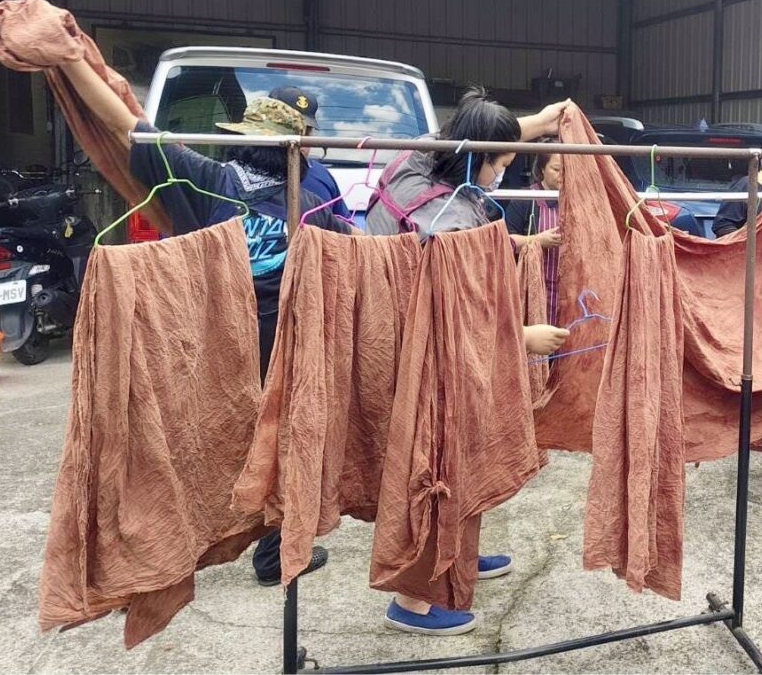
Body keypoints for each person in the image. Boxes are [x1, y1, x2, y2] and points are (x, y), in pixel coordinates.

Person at [57, 59, 355, 586]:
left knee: (237, 442)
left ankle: (248, 549)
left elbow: (127, 125)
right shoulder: (303, 203)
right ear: (298, 150)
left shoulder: (214, 179)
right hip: (266, 350)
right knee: (275, 444)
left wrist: (72, 63)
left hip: (226, 348)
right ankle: (254, 549)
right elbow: (366, 253)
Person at [369, 87, 571, 635]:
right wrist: (524, 337)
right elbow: (461, 319)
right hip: (430, 357)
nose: (501, 175)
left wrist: (539, 122)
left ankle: (455, 554)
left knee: (466, 458)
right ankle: (412, 602)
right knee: (436, 462)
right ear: (476, 157)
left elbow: (461, 140)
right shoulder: (452, 222)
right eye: (499, 164)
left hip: (401, 339)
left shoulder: (410, 167)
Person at [266, 86, 350, 218]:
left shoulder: (321, 174)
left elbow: (346, 224)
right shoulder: (237, 176)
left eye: (306, 132)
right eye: (291, 130)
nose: (299, 143)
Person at [505, 151, 563, 325]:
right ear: (542, 169)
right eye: (556, 169)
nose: (562, 175)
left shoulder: (577, 201)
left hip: (568, 292)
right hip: (535, 289)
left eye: (567, 170)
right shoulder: (524, 199)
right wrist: (537, 240)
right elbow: (506, 242)